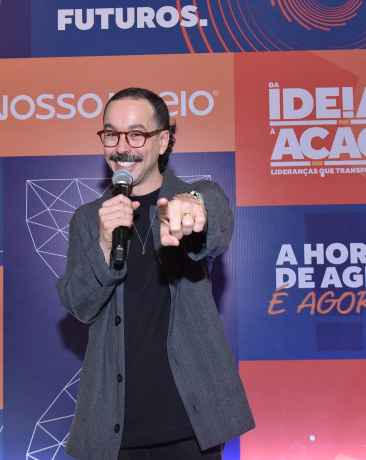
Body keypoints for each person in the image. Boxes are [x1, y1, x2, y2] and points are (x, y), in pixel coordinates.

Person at [55, 87, 254, 459]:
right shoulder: (88, 219)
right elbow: (78, 304)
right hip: (115, 426)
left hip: (191, 421)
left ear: (162, 141)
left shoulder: (193, 196)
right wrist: (103, 246)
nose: (121, 147)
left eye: (136, 134)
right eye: (111, 134)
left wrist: (193, 209)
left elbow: (215, 220)